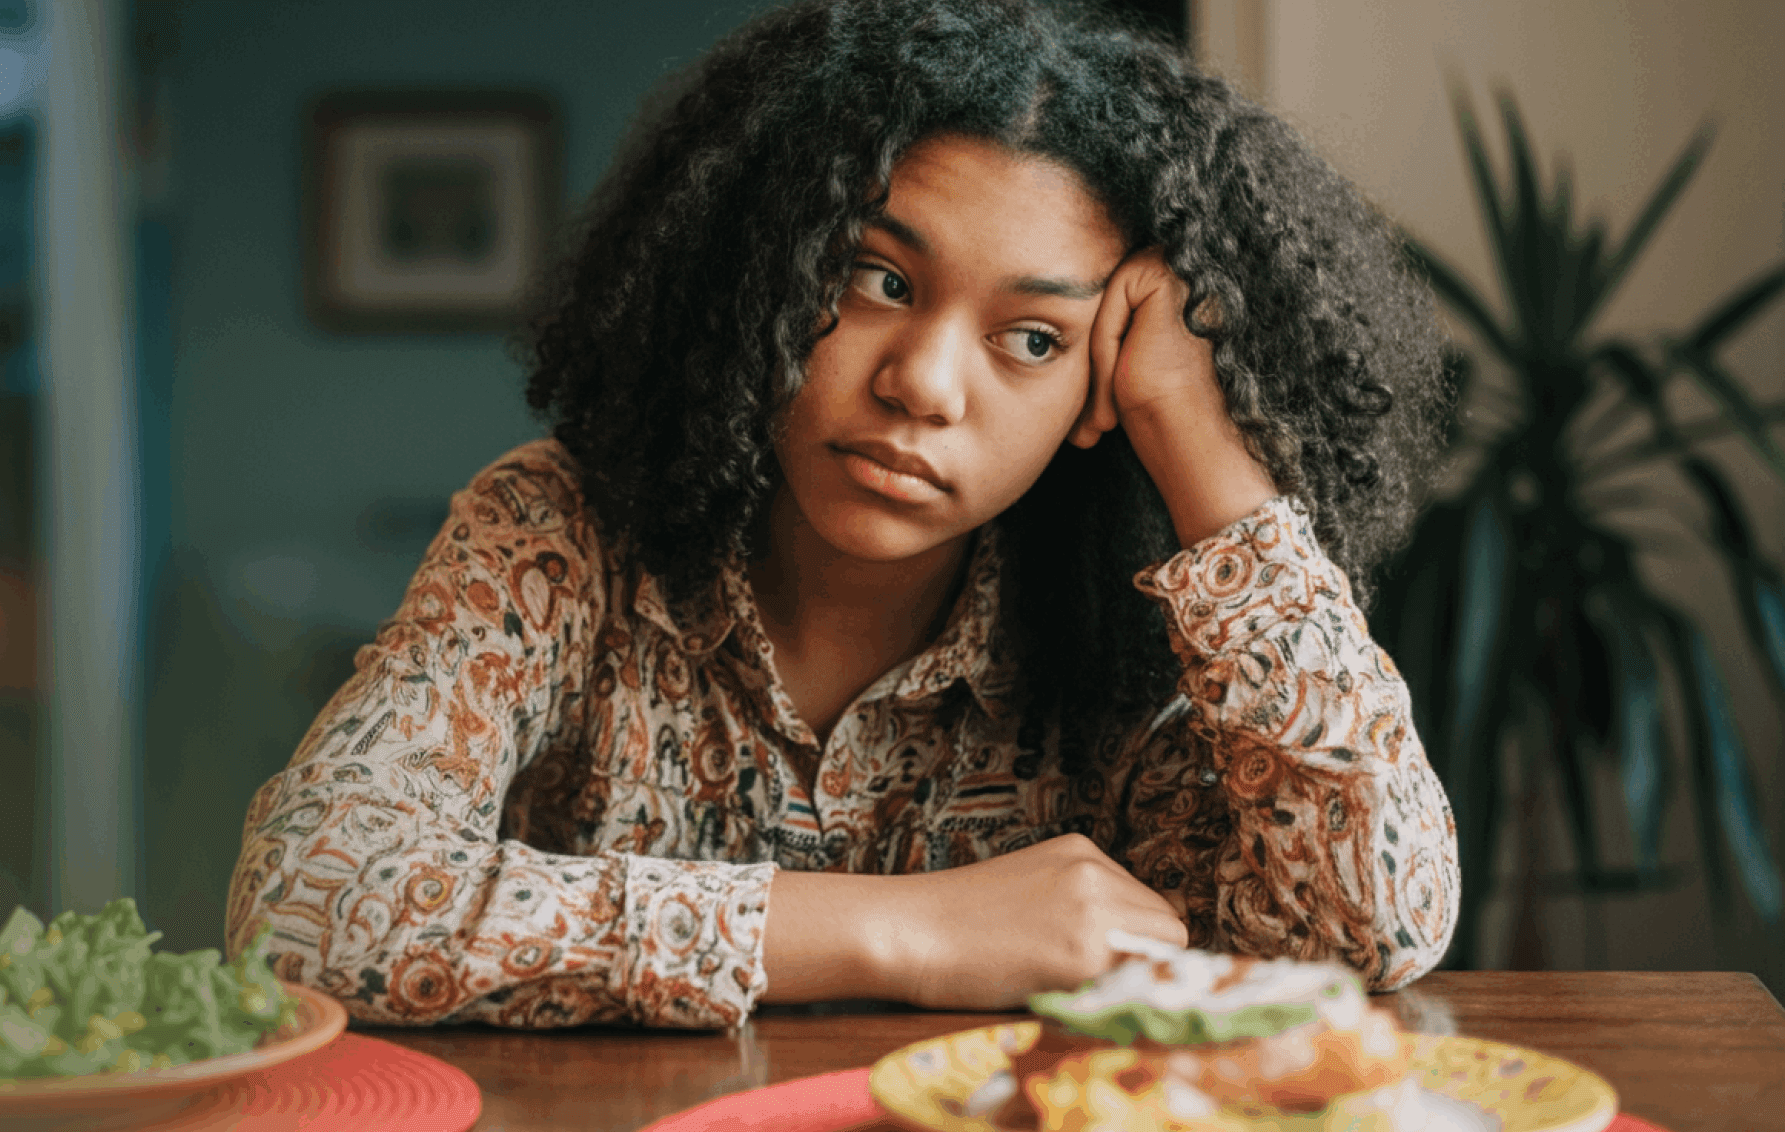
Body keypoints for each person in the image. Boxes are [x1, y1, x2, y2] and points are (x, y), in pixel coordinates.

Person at [226, 0, 1458, 1029]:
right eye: (879, 279)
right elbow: (306, 905)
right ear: (771, 262)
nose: (923, 383)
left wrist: (1205, 457)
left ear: (1098, 396)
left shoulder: (1141, 630)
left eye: (1034, 340)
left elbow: (1376, 925)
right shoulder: (562, 533)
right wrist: (905, 931)